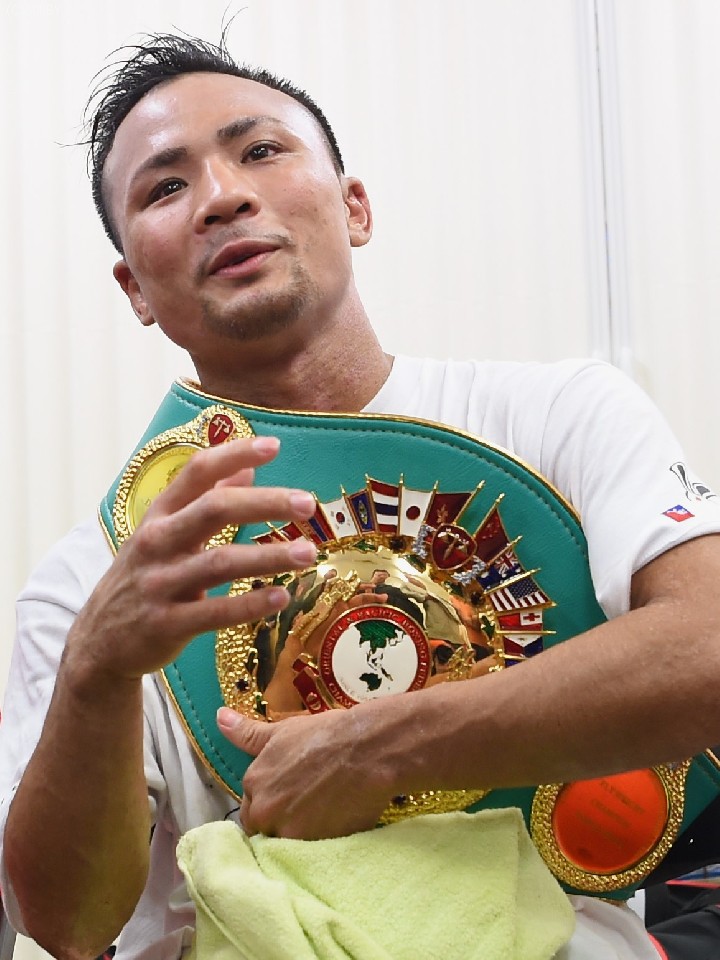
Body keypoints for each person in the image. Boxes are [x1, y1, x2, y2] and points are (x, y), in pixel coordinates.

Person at [1, 31, 719, 960]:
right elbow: (66, 925)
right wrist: (96, 673)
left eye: (261, 150)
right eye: (166, 187)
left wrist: (385, 748)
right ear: (134, 287)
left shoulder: (559, 417)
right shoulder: (89, 583)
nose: (222, 196)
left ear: (355, 207)